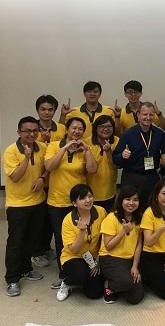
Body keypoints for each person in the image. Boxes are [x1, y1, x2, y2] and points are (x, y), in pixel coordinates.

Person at [45, 117, 98, 289]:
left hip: (79, 202)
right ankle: (64, 275)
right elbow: (49, 167)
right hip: (57, 200)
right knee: (61, 240)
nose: (76, 132)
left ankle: (84, 267)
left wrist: (87, 150)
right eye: (74, 128)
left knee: (84, 235)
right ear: (67, 130)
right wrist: (65, 148)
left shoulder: (84, 149)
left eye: (80, 129)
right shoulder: (54, 145)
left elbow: (92, 169)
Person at [3, 116, 47, 297]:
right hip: (17, 205)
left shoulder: (42, 147)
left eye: (34, 130)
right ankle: (12, 279)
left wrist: (42, 178)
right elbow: (15, 177)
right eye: (27, 130)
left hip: (38, 202)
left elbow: (48, 167)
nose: (31, 133)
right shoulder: (11, 151)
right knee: (15, 243)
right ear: (19, 132)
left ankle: (26, 269)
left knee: (31, 240)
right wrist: (26, 158)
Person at [56, 184, 107, 301]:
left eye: (90, 196)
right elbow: (74, 249)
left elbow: (104, 237)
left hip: (93, 257)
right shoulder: (68, 220)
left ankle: (86, 280)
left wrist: (99, 260)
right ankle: (67, 282)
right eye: (83, 198)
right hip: (73, 257)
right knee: (80, 274)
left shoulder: (101, 211)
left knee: (94, 294)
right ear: (74, 203)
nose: (88, 200)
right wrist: (82, 231)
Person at [112, 102, 165, 209]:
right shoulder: (128, 134)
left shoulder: (159, 134)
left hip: (152, 178)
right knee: (131, 210)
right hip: (132, 178)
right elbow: (115, 158)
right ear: (138, 115)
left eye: (151, 115)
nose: (148, 117)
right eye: (145, 114)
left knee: (152, 209)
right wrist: (122, 156)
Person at [33, 95, 65, 267]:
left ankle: (46, 248)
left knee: (52, 219)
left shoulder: (61, 128)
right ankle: (37, 251)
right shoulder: (32, 129)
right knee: (40, 219)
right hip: (38, 180)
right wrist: (41, 141)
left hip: (56, 181)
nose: (46, 112)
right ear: (37, 110)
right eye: (43, 109)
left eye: (50, 109)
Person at [99, 185, 144, 305]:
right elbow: (108, 246)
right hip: (110, 257)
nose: (131, 203)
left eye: (135, 200)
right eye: (127, 199)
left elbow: (139, 244)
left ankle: (121, 281)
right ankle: (108, 284)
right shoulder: (111, 218)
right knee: (125, 283)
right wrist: (123, 231)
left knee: (135, 298)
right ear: (121, 200)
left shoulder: (139, 219)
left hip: (128, 260)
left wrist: (135, 266)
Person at [86, 115, 119, 212]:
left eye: (109, 127)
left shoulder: (117, 141)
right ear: (95, 128)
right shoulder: (86, 142)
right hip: (89, 194)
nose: (106, 129)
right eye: (102, 126)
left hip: (110, 192)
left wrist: (109, 151)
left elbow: (117, 165)